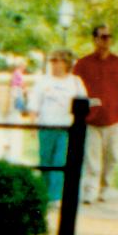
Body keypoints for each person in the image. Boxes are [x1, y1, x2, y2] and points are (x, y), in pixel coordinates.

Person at [70, 27, 118, 201]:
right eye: (103, 37)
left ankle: (105, 188)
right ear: (95, 39)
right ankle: (90, 190)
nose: (107, 40)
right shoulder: (83, 64)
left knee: (112, 156)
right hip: (90, 120)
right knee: (92, 159)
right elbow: (75, 88)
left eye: (110, 37)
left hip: (114, 119)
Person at [30, 50, 83, 209]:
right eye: (52, 61)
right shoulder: (43, 82)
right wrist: (33, 124)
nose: (54, 64)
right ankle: (44, 192)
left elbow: (82, 103)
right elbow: (34, 104)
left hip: (65, 128)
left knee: (60, 161)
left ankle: (55, 196)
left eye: (58, 61)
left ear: (66, 63)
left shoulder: (75, 82)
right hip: (46, 126)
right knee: (45, 160)